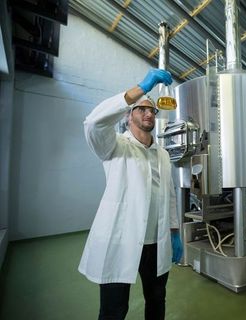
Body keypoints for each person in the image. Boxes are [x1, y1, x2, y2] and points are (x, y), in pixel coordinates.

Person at [79, 68, 183, 320]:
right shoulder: (114, 146)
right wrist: (142, 87)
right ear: (128, 117)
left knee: (157, 300)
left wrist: (174, 231)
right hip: (121, 240)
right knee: (115, 310)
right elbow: (93, 122)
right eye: (142, 108)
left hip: (156, 242)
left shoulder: (162, 154)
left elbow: (168, 194)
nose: (149, 113)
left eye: (152, 110)